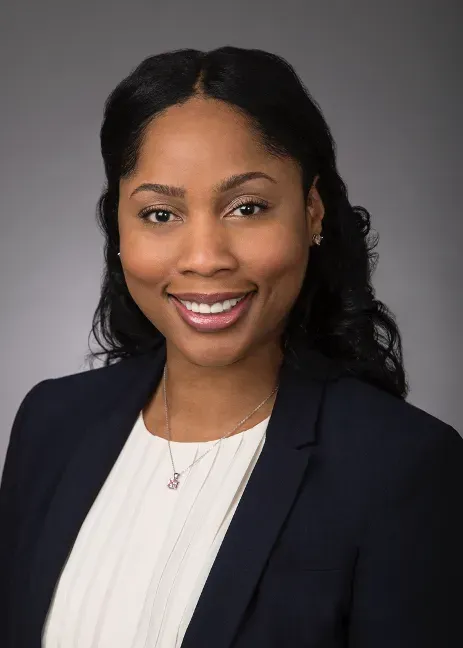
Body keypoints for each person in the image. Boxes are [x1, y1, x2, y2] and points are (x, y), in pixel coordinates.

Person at [1, 46, 462, 648]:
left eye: (248, 207)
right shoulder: (51, 424)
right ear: (119, 228)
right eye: (160, 213)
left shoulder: (404, 467)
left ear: (311, 211)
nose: (204, 257)